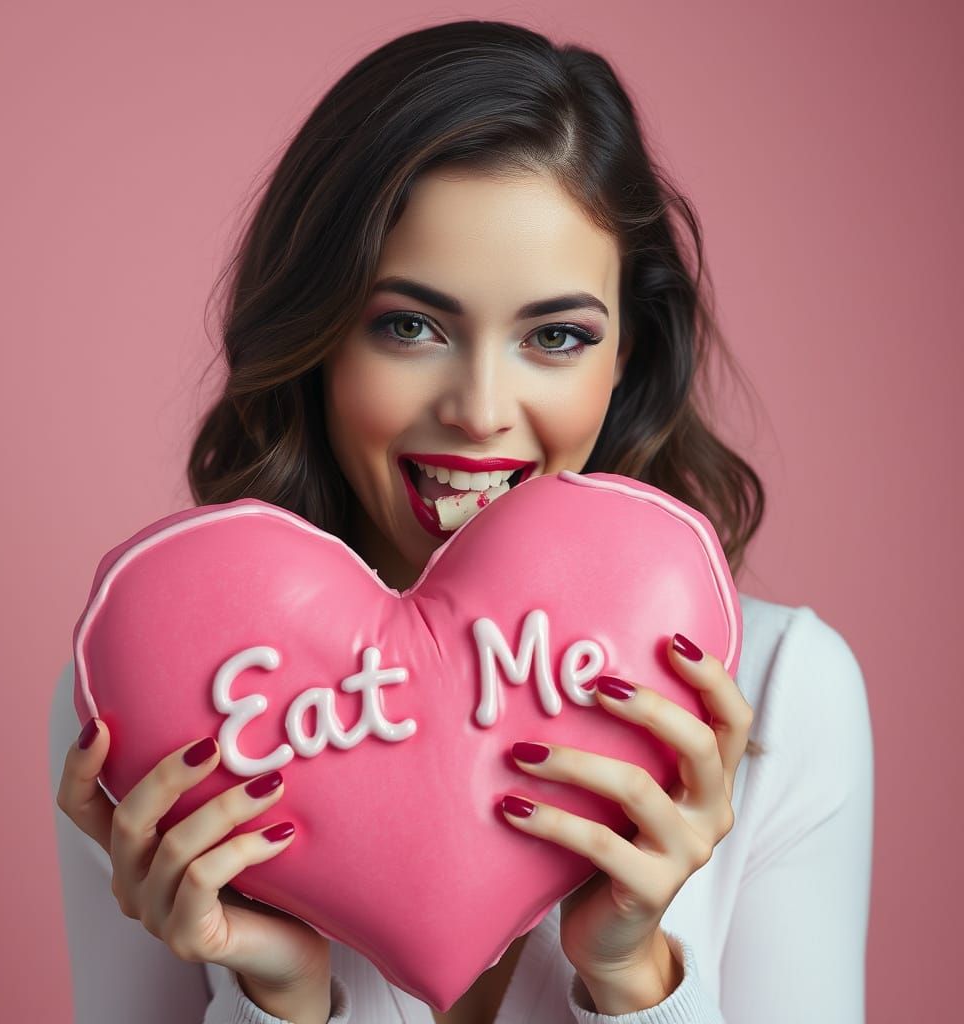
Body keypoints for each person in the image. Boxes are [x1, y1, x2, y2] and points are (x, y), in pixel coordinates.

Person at [49, 19, 874, 1024]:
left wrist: (631, 977)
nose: (480, 409)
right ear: (316, 337)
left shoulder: (782, 697)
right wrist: (281, 997)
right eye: (409, 325)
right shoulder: (174, 703)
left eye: (557, 335)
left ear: (626, 358)